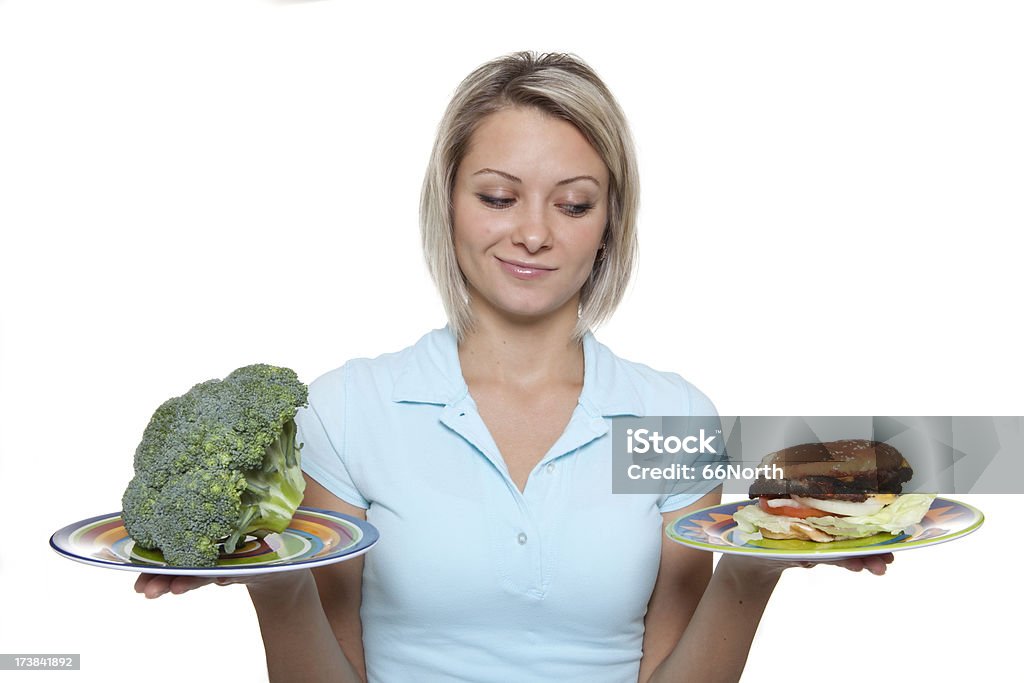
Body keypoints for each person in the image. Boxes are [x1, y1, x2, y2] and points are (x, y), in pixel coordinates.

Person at [135, 51, 894, 683]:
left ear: (609, 226)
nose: (533, 232)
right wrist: (278, 584)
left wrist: (753, 565)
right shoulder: (347, 410)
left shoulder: (672, 421)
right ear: (450, 201)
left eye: (572, 205)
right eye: (499, 196)